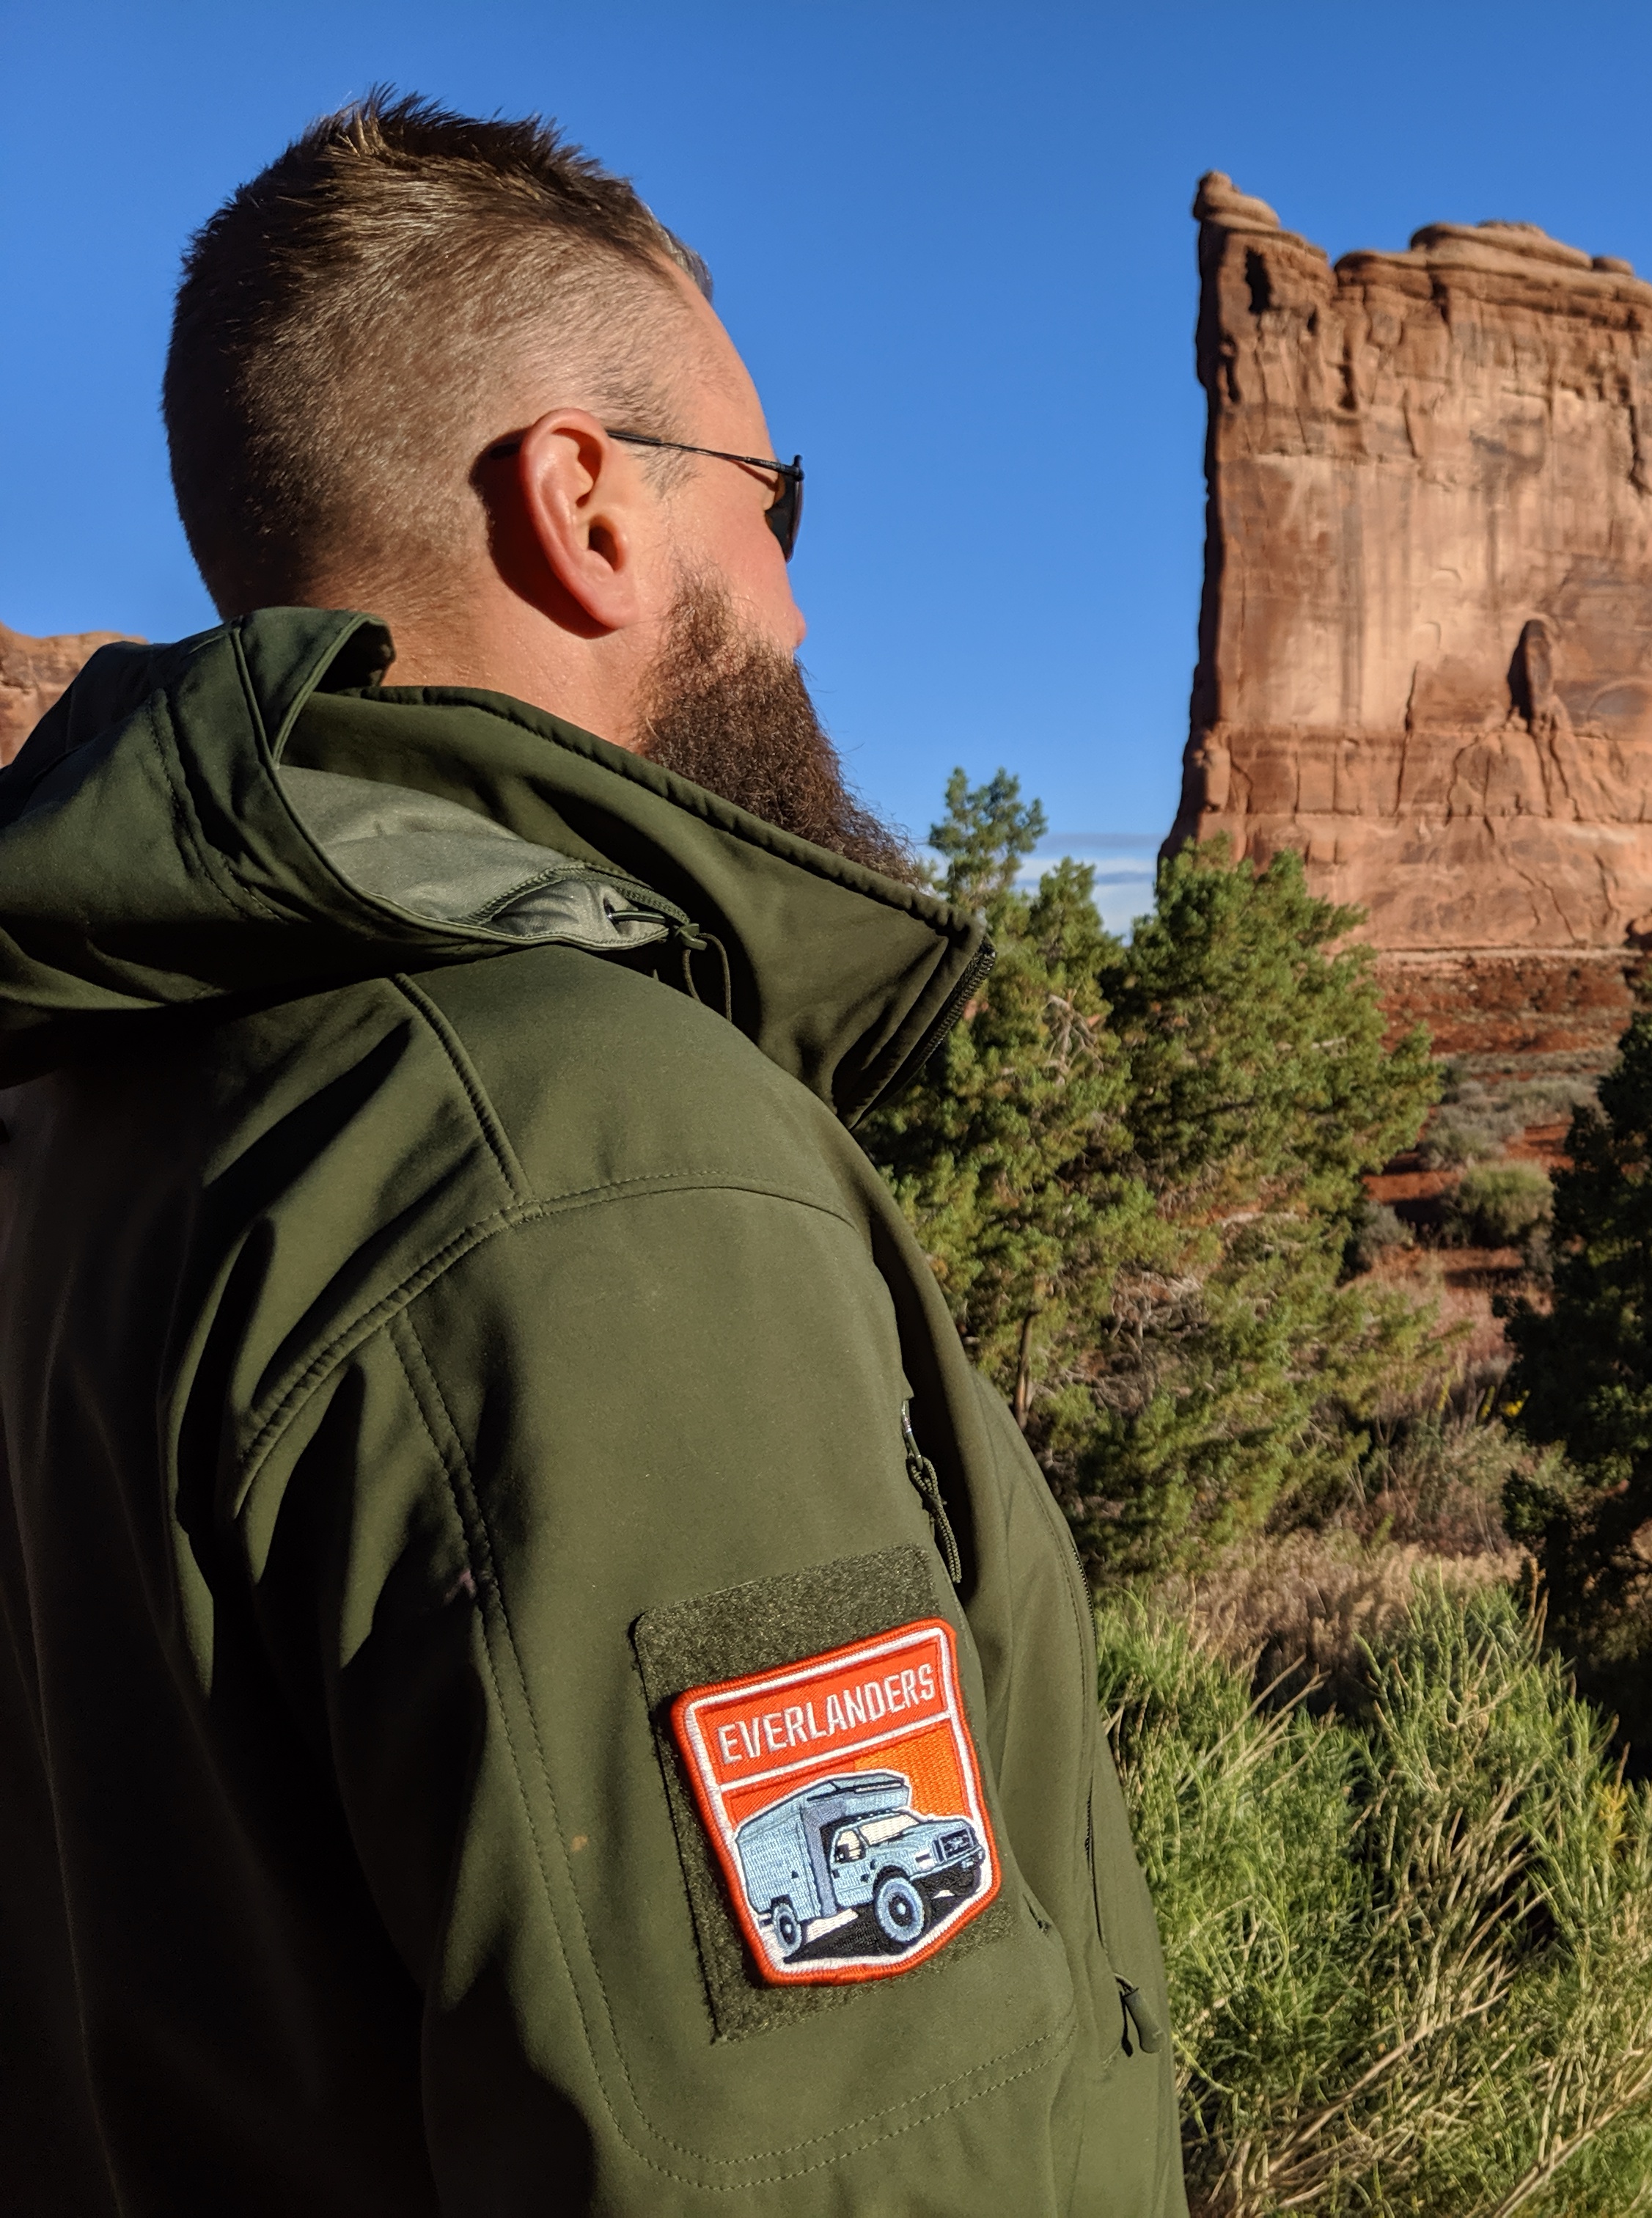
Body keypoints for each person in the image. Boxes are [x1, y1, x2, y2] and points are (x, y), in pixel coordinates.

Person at [0, 94, 1186, 2215]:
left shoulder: (95, 1111)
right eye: (775, 499)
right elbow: (834, 2159)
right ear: (588, 506)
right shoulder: (590, 1158)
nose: (802, 606)